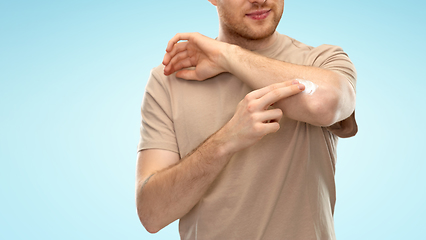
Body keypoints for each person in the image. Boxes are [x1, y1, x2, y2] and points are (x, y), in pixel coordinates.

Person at [135, 0, 358, 239]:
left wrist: (227, 56)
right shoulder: (169, 80)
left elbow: (324, 104)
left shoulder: (322, 61)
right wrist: (225, 141)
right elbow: (152, 215)